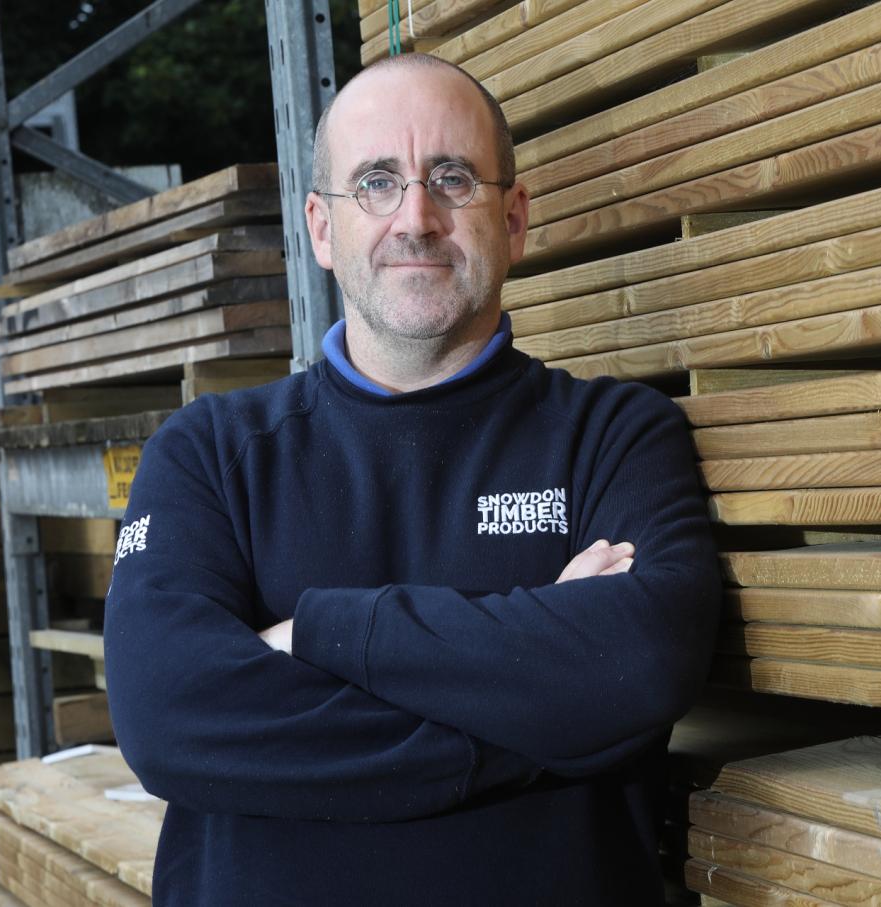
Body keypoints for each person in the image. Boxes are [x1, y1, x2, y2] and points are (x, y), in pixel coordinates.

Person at [103, 54, 720, 905]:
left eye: (452, 178)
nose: (417, 217)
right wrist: (543, 724)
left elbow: (640, 665)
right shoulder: (209, 453)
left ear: (514, 217)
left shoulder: (614, 435)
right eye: (377, 182)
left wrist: (314, 632)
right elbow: (168, 717)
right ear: (321, 227)